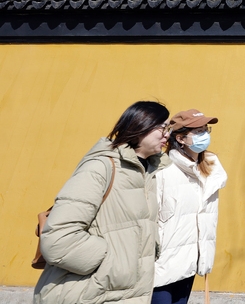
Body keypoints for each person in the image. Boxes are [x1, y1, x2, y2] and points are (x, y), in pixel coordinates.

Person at [34, 101, 173, 304]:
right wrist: (112, 260)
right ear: (141, 125)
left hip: (123, 293)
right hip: (89, 294)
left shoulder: (147, 172)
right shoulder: (101, 167)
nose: (167, 135)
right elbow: (59, 238)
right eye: (163, 127)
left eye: (169, 129)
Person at [152, 109, 227, 304]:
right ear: (181, 138)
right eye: (198, 131)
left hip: (190, 261)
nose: (205, 135)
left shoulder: (211, 169)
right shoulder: (162, 169)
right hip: (161, 265)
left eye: (205, 130)